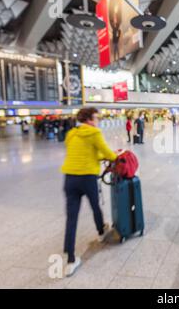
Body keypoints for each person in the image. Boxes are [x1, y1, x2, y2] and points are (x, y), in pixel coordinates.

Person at [60, 108, 117, 277]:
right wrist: (115, 157)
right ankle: (101, 232)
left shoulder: (71, 134)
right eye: (96, 117)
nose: (98, 120)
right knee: (95, 206)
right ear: (89, 119)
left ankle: (70, 260)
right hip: (87, 178)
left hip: (70, 179)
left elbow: (81, 152)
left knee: (71, 218)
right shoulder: (94, 132)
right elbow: (107, 153)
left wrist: (97, 156)